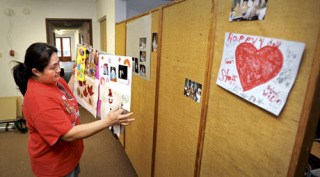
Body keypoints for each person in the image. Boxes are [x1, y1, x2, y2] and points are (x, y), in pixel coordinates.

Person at [11, 42, 135, 177]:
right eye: (53, 67)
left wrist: (75, 76)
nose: (59, 69)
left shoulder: (51, 79)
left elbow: (65, 94)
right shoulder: (39, 101)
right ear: (36, 71)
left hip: (69, 156)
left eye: (58, 63)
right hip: (55, 166)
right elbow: (68, 134)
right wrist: (108, 121)